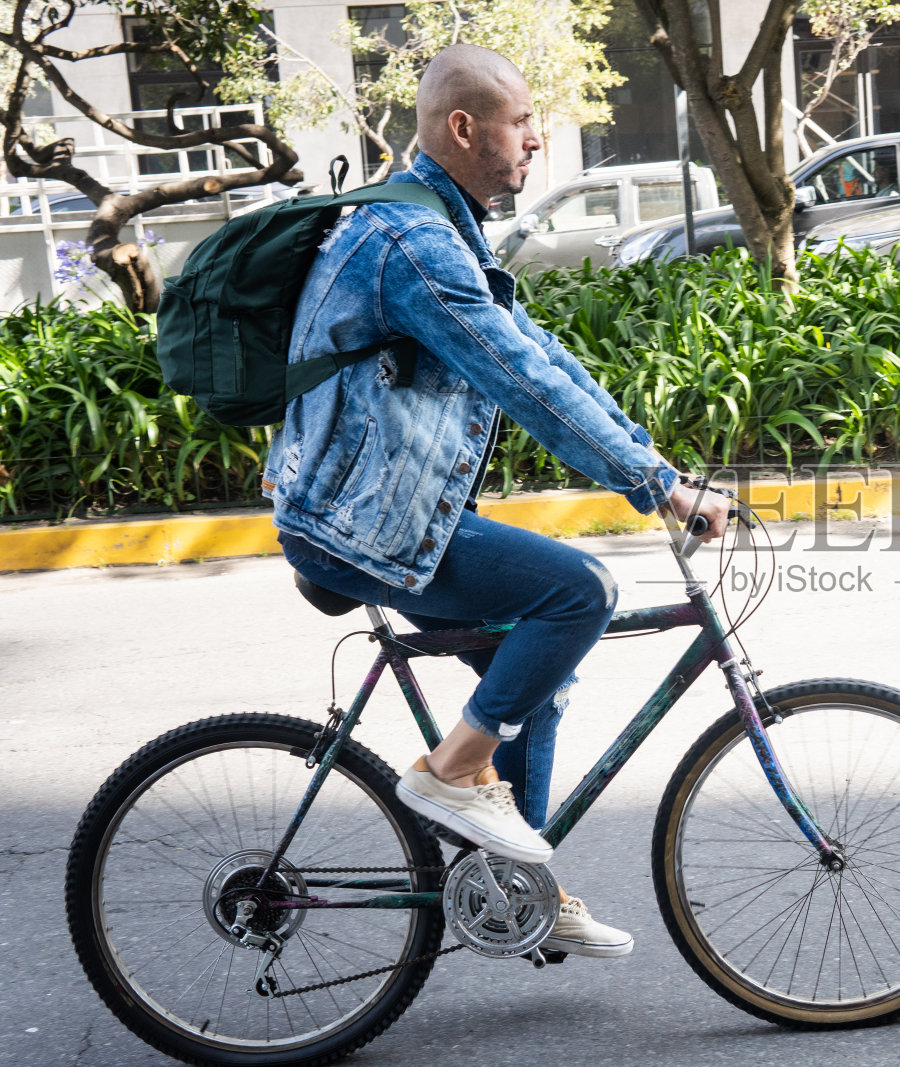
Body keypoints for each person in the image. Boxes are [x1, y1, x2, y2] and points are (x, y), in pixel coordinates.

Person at [260, 42, 729, 958]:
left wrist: (658, 465)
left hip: (380, 511)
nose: (536, 140)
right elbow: (522, 382)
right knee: (578, 594)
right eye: (521, 123)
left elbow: (550, 362)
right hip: (361, 524)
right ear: (464, 128)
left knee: (535, 679)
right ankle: (451, 771)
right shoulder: (414, 242)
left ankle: (520, 892)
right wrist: (658, 491)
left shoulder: (443, 227)